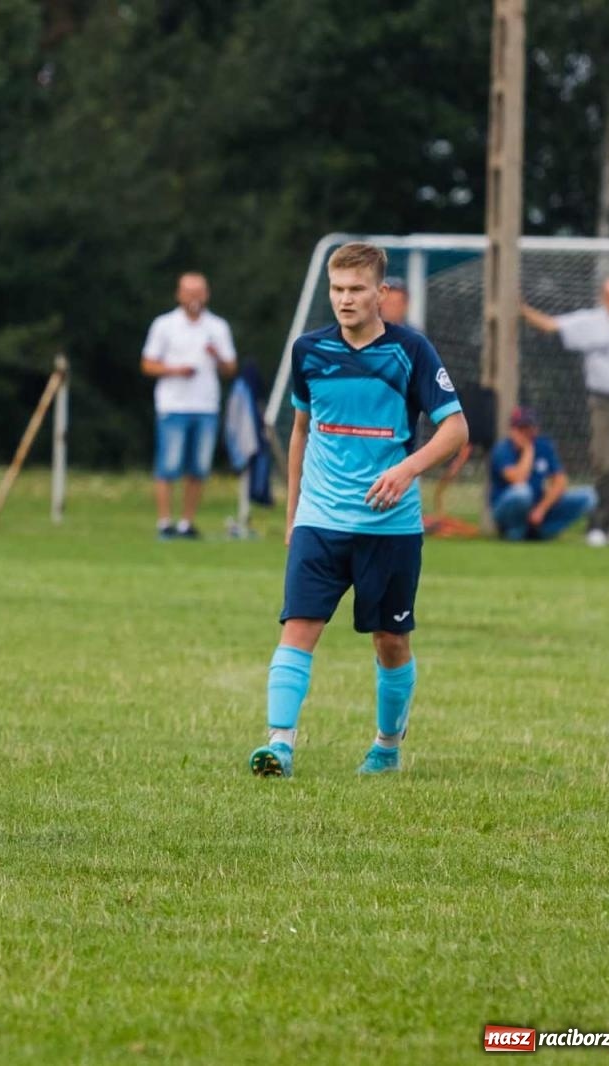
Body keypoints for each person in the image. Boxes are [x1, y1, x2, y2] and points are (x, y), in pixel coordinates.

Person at [251, 241, 468, 780]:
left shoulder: (410, 351)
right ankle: (279, 745)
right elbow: (300, 432)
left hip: (389, 528)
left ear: (381, 293)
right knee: (297, 627)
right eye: (337, 289)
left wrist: (405, 469)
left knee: (391, 640)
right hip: (320, 522)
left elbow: (456, 430)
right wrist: (293, 512)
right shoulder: (309, 351)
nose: (345, 300)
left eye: (356, 290)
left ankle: (387, 745)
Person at [521, 278, 609, 547]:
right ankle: (597, 524)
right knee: (607, 464)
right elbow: (551, 325)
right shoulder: (591, 322)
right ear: (604, 298)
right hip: (604, 404)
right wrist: (519, 306)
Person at [141, 272, 237, 539]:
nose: (194, 298)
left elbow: (230, 367)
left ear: (206, 295)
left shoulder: (217, 327)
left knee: (199, 467)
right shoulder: (164, 325)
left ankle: (186, 523)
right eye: (189, 292)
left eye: (199, 292)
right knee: (168, 465)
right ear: (179, 294)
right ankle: (164, 522)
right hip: (173, 405)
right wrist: (175, 370)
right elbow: (147, 363)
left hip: (206, 406)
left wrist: (216, 355)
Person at [488, 406, 596, 541]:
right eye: (522, 428)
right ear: (513, 430)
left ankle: (542, 532)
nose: (527, 433)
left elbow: (560, 481)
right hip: (507, 510)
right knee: (522, 493)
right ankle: (515, 532)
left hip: (537, 507)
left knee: (590, 495)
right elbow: (519, 479)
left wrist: (541, 509)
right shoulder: (502, 449)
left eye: (530, 428)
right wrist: (528, 450)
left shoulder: (544, 446)